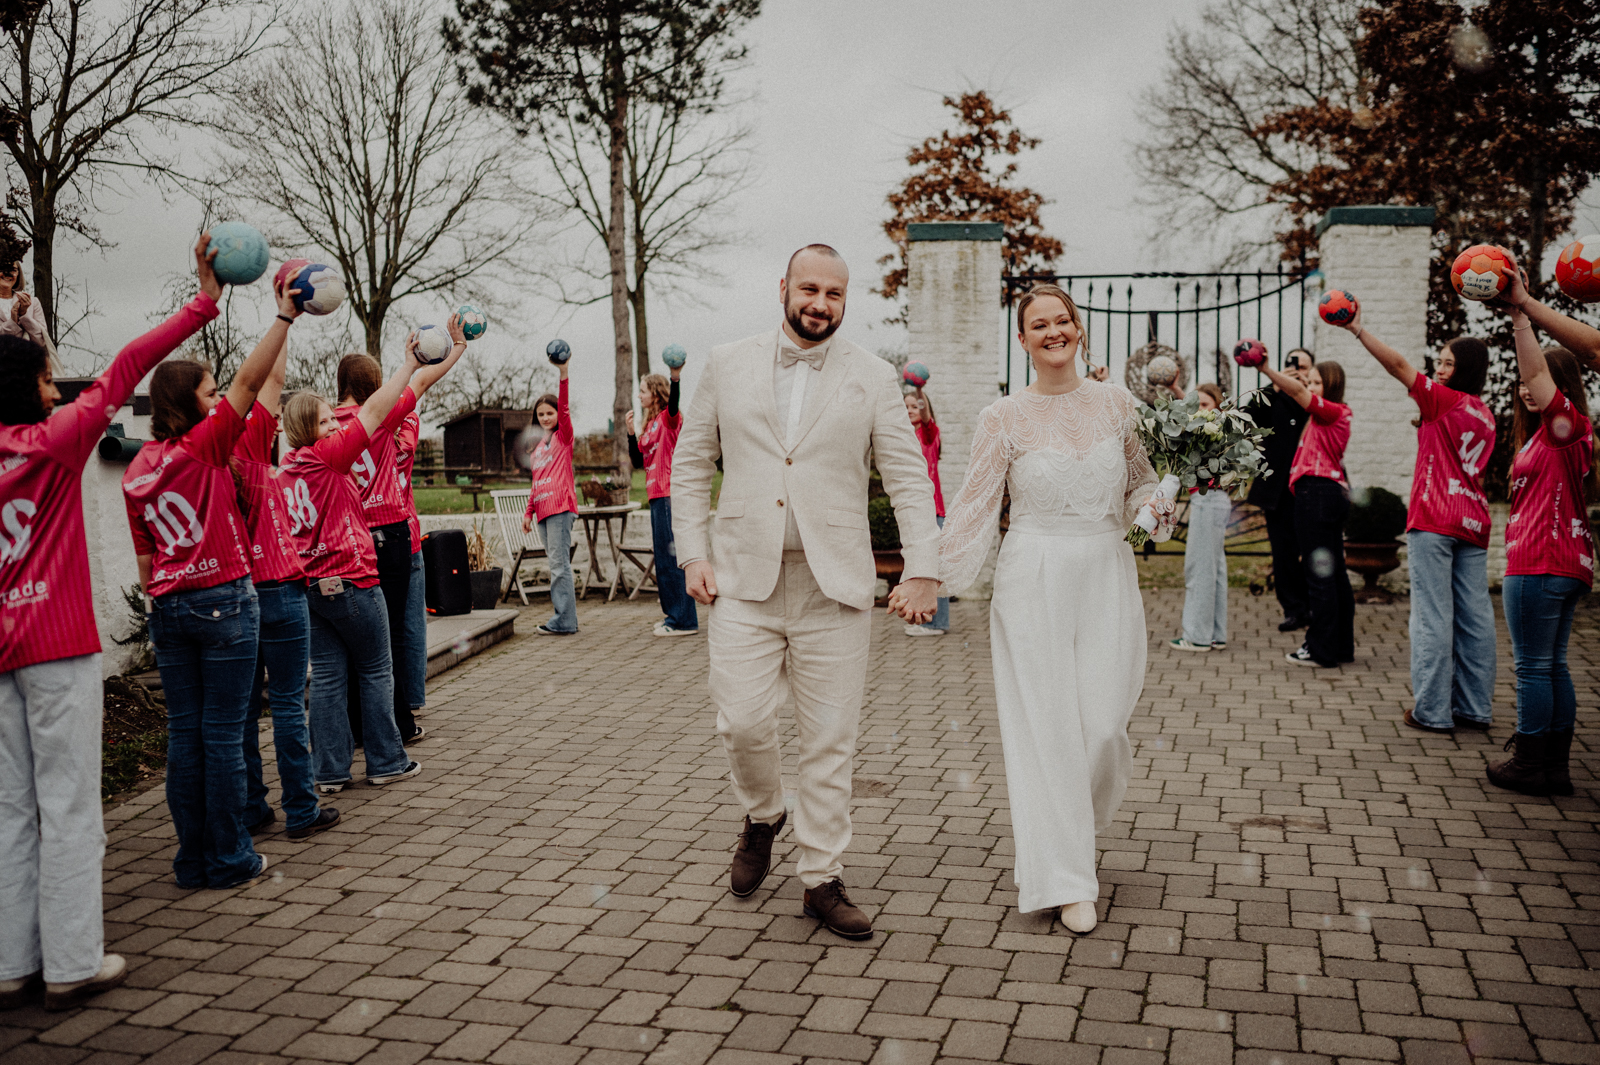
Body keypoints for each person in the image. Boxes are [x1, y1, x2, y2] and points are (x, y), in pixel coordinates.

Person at [673, 244, 939, 941]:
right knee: (742, 722)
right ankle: (763, 814)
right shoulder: (727, 362)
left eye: (836, 295)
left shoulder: (874, 377)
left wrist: (923, 566)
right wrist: (693, 552)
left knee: (829, 741)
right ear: (784, 286)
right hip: (743, 582)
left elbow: (908, 478)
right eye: (810, 289)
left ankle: (820, 877)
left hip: (837, 588)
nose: (821, 304)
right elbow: (691, 461)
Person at [0, 234, 221, 1012]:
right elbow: (129, 361)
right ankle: (70, 961)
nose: (59, 392)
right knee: (68, 804)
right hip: (56, 647)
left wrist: (16, 315)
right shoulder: (57, 444)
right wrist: (203, 300)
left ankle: (9, 963)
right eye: (47, 381)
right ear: (31, 391)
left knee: (9, 806)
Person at [938, 283, 1171, 935]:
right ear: (1023, 340)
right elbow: (975, 505)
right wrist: (932, 577)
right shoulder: (1002, 418)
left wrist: (1154, 508)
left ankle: (1074, 827)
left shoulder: (1120, 406)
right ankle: (1067, 877)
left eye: (1061, 320)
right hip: (1031, 574)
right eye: (1038, 324)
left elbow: (1142, 481)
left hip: (1105, 570)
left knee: (1103, 728)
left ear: (1080, 328)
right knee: (1048, 731)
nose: (1052, 331)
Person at [122, 275, 301, 892]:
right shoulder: (204, 447)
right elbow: (252, 384)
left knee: (186, 735)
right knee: (226, 736)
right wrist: (283, 317)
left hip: (169, 609)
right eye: (209, 391)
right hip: (223, 601)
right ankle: (227, 858)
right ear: (189, 403)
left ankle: (190, 859)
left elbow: (146, 565)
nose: (219, 396)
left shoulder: (138, 471)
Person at [279, 341, 428, 794]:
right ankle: (386, 759)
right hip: (353, 580)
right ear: (307, 429)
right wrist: (409, 365)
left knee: (325, 676)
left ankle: (329, 771)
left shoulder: (284, 470)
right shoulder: (329, 457)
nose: (333, 427)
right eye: (324, 421)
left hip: (310, 585)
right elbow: (375, 410)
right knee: (377, 668)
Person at [1338, 312, 1497, 733]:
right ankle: (1475, 709)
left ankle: (1432, 712)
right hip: (1474, 521)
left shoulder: (1442, 399)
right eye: (1439, 362)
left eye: (1447, 364)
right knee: (1475, 618)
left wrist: (1357, 329)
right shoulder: (1486, 414)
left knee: (1432, 617)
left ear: (1465, 370)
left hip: (1436, 520)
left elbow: (1397, 365)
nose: (1439, 370)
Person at [1485, 259, 1595, 796]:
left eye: (1544, 383)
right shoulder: (1548, 436)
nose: (1531, 389)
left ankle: (1530, 762)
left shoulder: (1565, 427)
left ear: (1564, 387)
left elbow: (1533, 374)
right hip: (1564, 562)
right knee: (1552, 664)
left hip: (1543, 561)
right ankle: (1554, 766)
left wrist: (1519, 314)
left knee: (1532, 667)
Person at [330, 325, 465, 743]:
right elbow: (422, 379)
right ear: (375, 384)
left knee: (349, 642)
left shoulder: (325, 425)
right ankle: (396, 726)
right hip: (389, 533)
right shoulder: (384, 416)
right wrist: (456, 346)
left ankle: (352, 727)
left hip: (345, 539)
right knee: (386, 639)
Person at [234, 322, 339, 843]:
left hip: (235, 594)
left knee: (245, 712)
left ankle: (253, 808)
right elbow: (271, 377)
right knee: (289, 705)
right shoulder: (249, 448)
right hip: (278, 588)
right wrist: (287, 315)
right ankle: (301, 808)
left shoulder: (203, 457)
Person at [1254, 357, 1354, 667]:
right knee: (1335, 575)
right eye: (1309, 382)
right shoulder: (1328, 415)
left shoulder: (1331, 412)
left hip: (1316, 495)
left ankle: (1321, 649)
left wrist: (1267, 370)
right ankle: (1340, 646)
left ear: (1332, 386)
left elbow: (1297, 393)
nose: (1309, 388)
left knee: (1319, 577)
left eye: (1316, 383)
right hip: (1327, 494)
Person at [1243, 350, 1314, 632]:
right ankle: (1293, 609)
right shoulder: (1270, 394)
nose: (1296, 370)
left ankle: (1312, 605)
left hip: (1307, 488)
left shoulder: (1311, 397)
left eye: (1303, 366)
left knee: (1310, 552)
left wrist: (1303, 388)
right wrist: (1273, 387)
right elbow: (1247, 419)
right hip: (1276, 490)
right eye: (1291, 365)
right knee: (1283, 553)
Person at [627, 365, 697, 636]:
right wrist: (631, 432)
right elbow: (637, 460)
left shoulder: (669, 419)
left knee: (672, 559)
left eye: (642, 391)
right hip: (655, 495)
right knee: (663, 561)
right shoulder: (650, 425)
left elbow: (675, 403)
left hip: (669, 494)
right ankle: (672, 616)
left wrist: (675, 377)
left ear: (655, 394)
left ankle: (685, 621)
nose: (639, 395)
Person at [1171, 383, 1232, 653]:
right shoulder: (1219, 429)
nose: (1198, 410)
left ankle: (1196, 636)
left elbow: (1197, 418)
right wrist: (1176, 388)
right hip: (1216, 501)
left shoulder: (1213, 431)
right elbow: (1194, 410)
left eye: (1205, 405)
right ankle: (1215, 633)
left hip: (1208, 501)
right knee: (1215, 570)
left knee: (1200, 570)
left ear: (1217, 408)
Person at [521, 355, 578, 636]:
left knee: (559, 566)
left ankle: (564, 621)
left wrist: (563, 373)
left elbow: (565, 409)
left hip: (560, 508)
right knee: (555, 565)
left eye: (550, 413)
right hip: (543, 512)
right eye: (541, 414)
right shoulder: (537, 448)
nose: (545, 418)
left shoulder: (563, 438)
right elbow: (536, 482)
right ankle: (563, 618)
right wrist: (528, 513)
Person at [904, 388, 949, 636]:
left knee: (935, 569)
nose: (910, 410)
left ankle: (937, 623)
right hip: (916, 510)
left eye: (915, 406)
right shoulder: (905, 437)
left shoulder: (929, 434)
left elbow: (927, 418)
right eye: (906, 407)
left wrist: (919, 388)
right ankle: (924, 621)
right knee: (920, 567)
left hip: (934, 510)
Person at [0, 260, 48, 350]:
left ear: (18, 274)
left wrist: (24, 315)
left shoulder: (32, 303)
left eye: (13, 270)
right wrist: (12, 322)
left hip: (26, 363)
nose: (8, 274)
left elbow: (42, 341)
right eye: (2, 268)